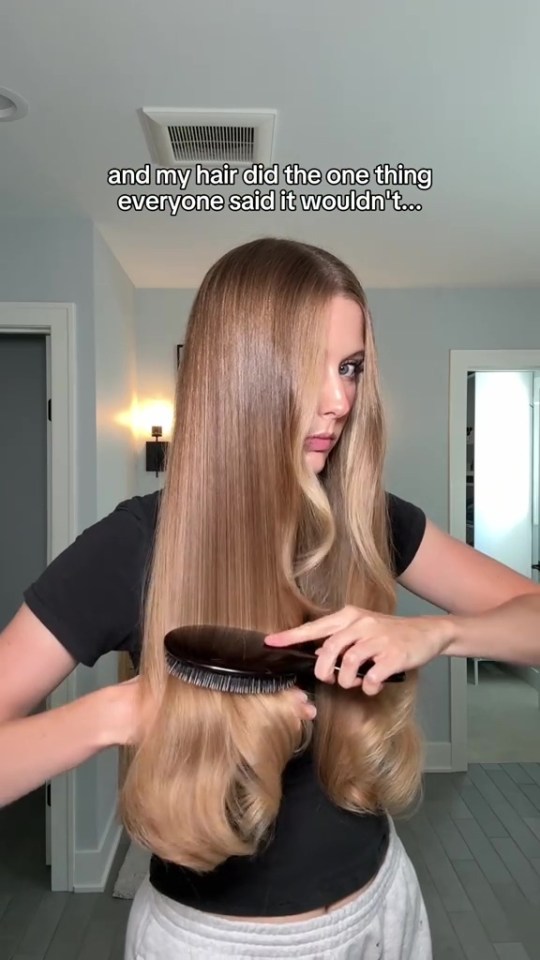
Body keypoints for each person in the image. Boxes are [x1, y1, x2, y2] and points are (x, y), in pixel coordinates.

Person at [1, 238, 539, 960]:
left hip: (385, 905)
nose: (340, 399)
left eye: (350, 368)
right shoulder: (135, 544)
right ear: (237, 374)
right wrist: (127, 711)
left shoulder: (371, 520)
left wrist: (439, 633)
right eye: (308, 366)